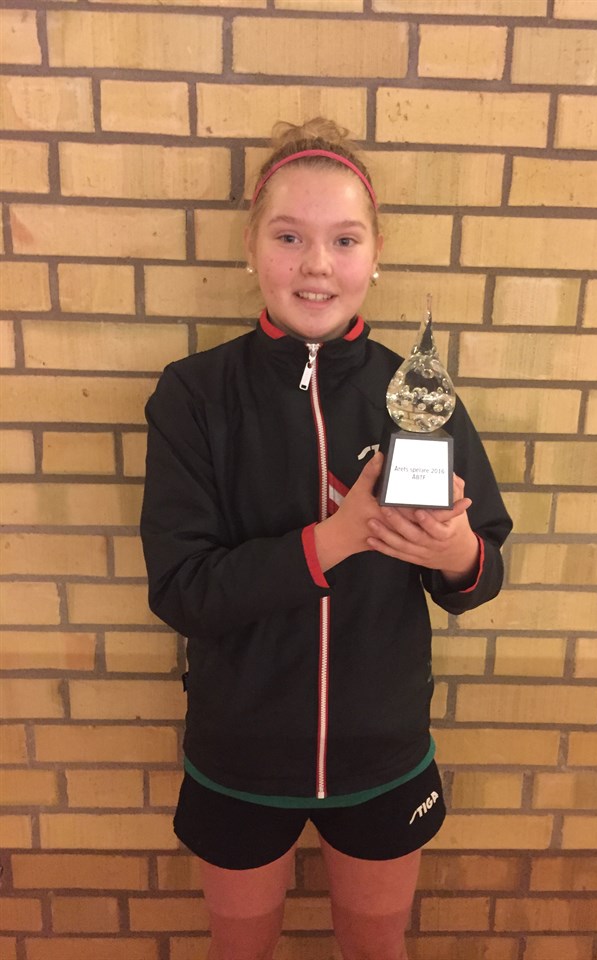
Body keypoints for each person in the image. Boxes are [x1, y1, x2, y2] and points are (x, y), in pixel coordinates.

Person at [140, 118, 512, 960]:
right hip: (240, 752)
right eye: (289, 237)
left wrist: (454, 554)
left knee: (377, 950)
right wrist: (335, 540)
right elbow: (184, 591)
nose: (316, 264)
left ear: (375, 256)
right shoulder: (195, 396)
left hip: (382, 750)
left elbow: (484, 565)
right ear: (251, 248)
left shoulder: (417, 394)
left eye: (344, 240)